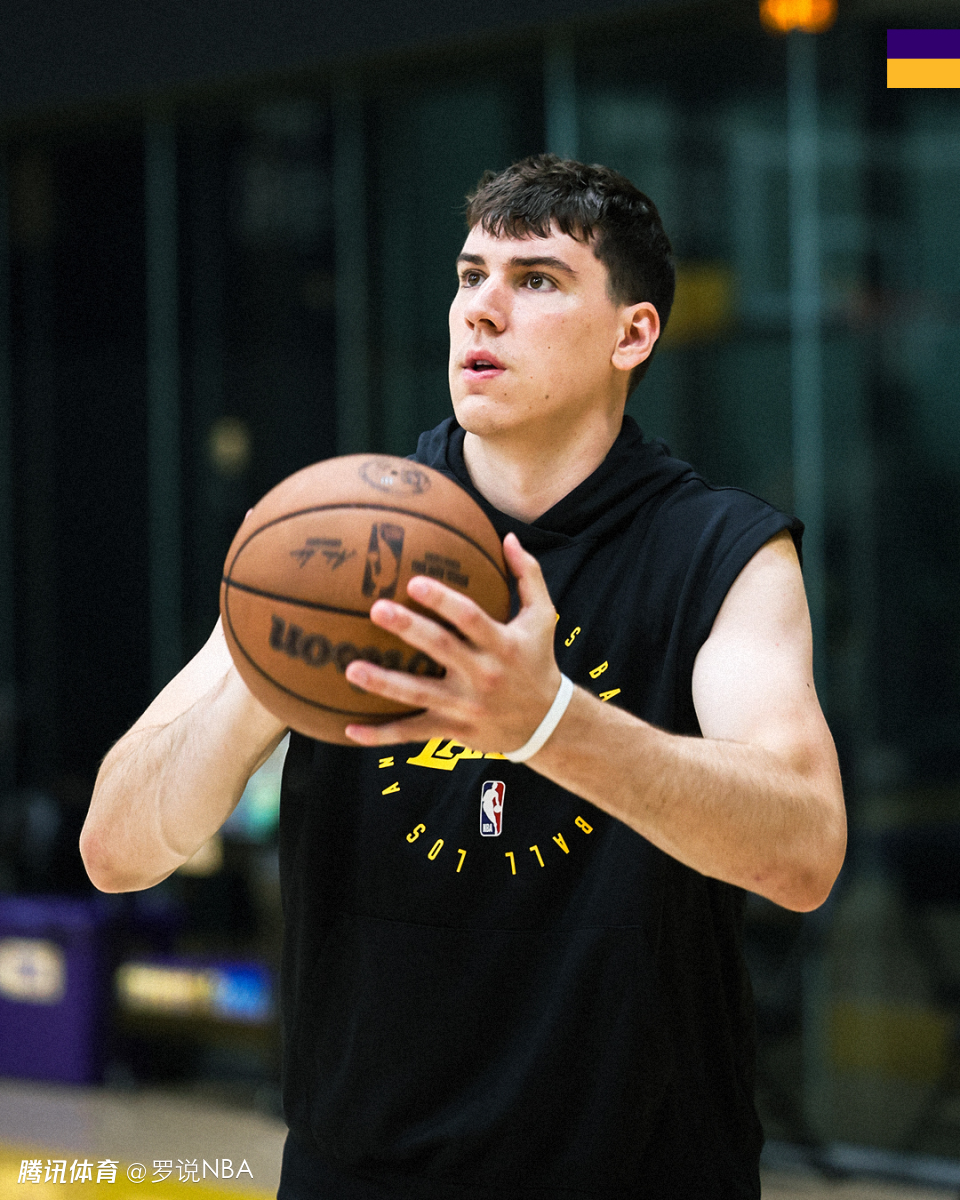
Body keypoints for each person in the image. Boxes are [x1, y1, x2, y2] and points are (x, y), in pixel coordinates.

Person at [81, 154, 846, 1198]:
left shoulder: (722, 552)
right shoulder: (335, 533)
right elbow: (117, 853)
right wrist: (275, 664)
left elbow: (803, 854)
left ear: (632, 334)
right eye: (470, 274)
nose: (482, 308)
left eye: (536, 280)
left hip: (643, 1174)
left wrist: (548, 722)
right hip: (360, 1171)